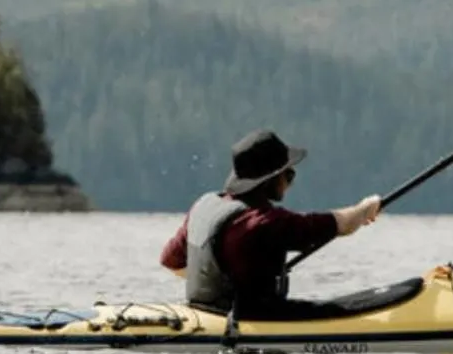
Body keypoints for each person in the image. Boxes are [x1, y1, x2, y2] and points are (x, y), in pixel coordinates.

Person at [160, 129, 381, 316]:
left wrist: (214, 282)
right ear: (268, 181)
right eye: (288, 175)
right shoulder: (266, 223)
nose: (290, 182)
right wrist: (365, 209)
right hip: (248, 320)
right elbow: (341, 224)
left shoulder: (203, 206)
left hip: (207, 314)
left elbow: (170, 260)